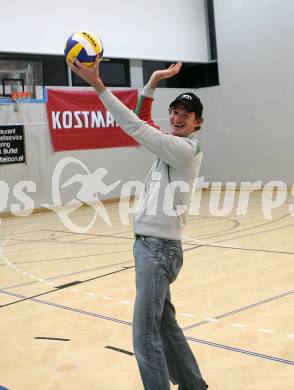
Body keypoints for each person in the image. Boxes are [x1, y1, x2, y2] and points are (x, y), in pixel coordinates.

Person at [67, 56, 208, 390]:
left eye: (184, 115)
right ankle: (193, 385)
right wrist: (154, 81)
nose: (175, 117)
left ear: (197, 123)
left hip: (158, 251)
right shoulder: (171, 147)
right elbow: (144, 118)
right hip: (155, 249)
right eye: (173, 112)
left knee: (144, 335)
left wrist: (98, 85)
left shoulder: (184, 150)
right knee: (163, 326)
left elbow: (134, 124)